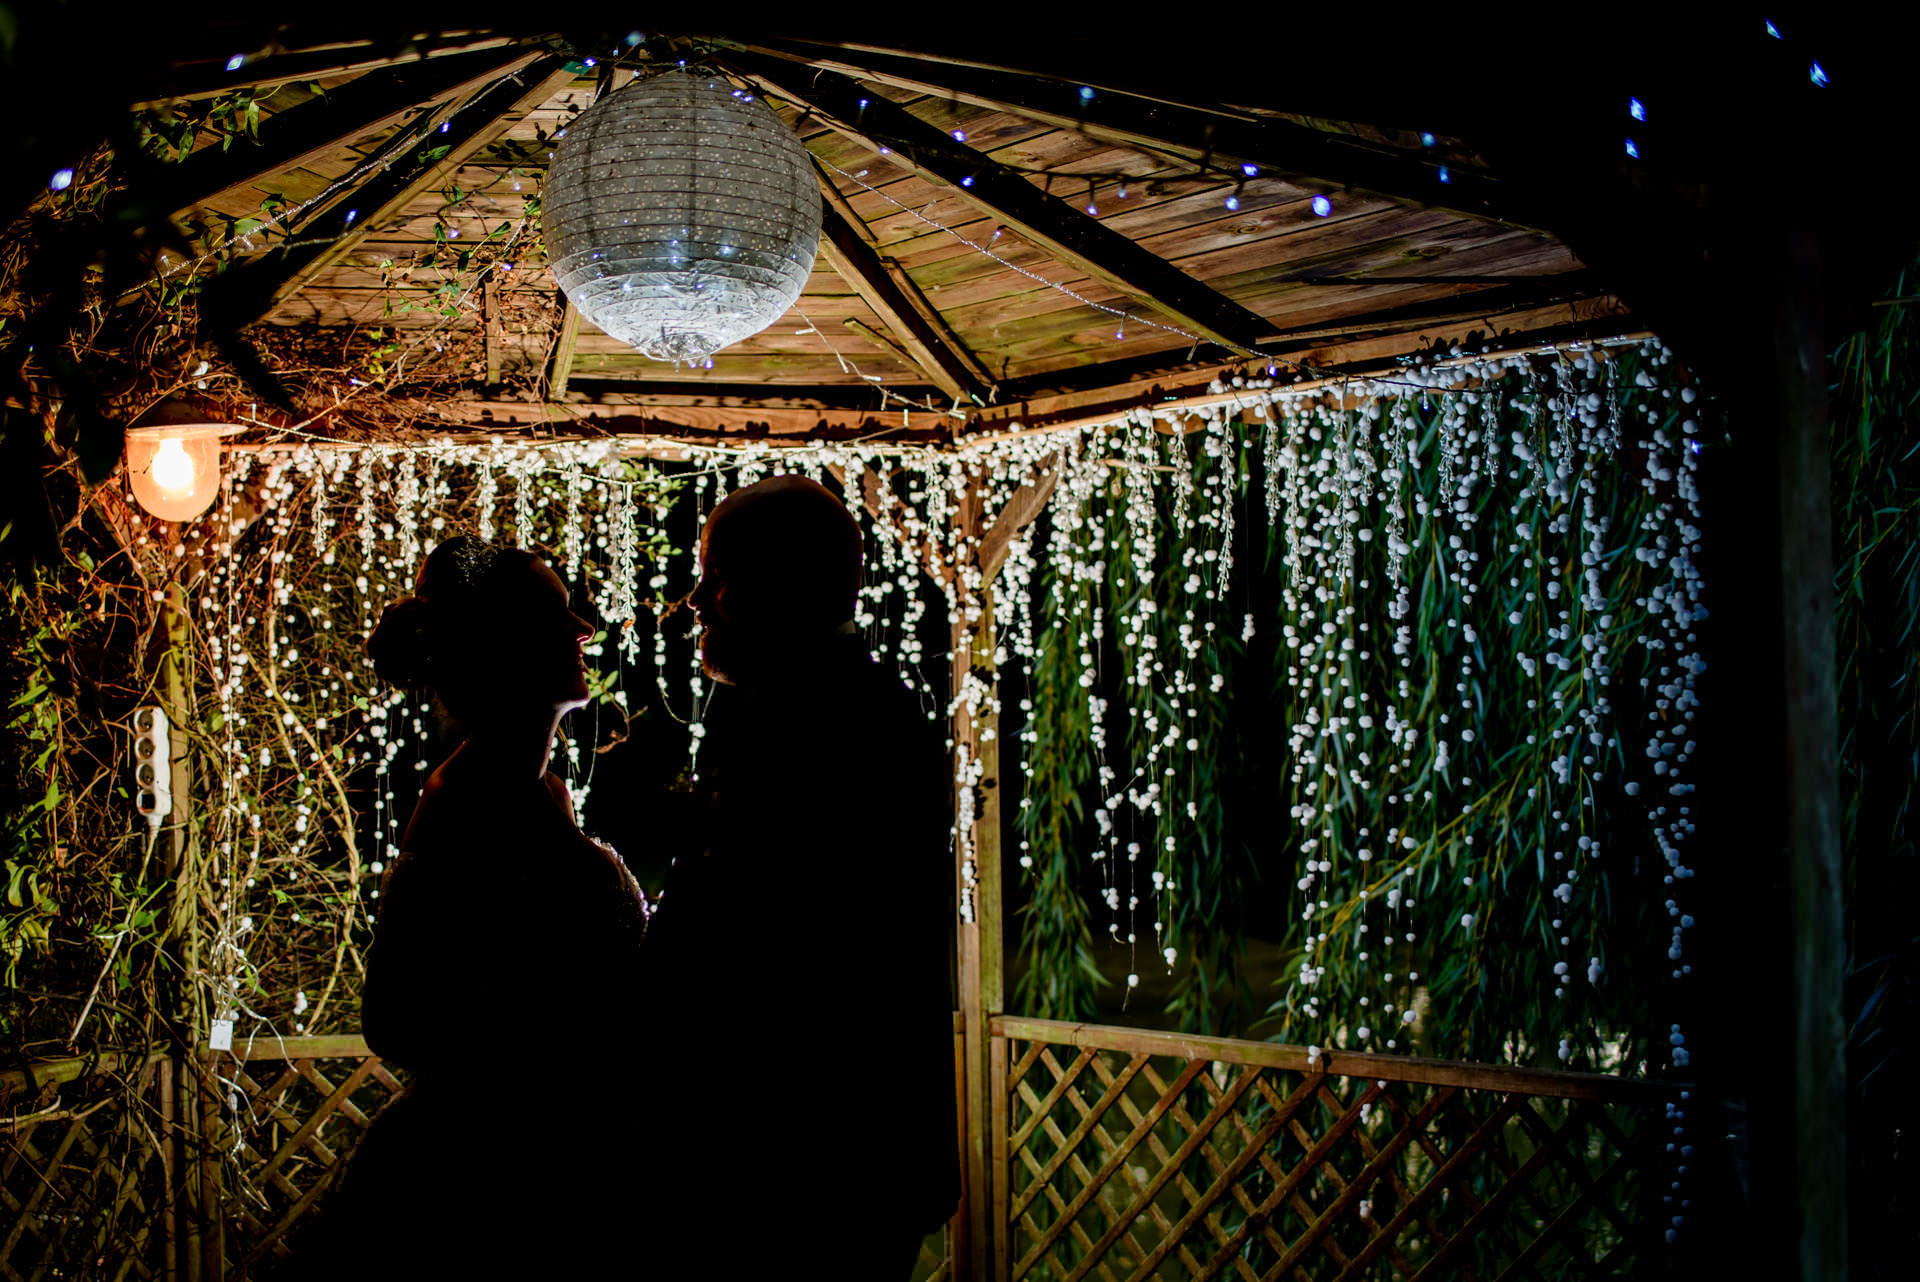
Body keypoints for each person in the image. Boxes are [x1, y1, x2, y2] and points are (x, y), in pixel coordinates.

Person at [638, 477, 959, 1276]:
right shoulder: (794, 708)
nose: (699, 602)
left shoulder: (841, 724)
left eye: (717, 576)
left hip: (808, 1165)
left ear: (780, 584)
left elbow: (781, 953)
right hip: (800, 1160)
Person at [307, 536, 650, 1279]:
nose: (584, 629)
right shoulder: (469, 803)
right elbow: (395, 1014)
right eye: (559, 615)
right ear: (505, 646)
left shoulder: (537, 792)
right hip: (495, 1188)